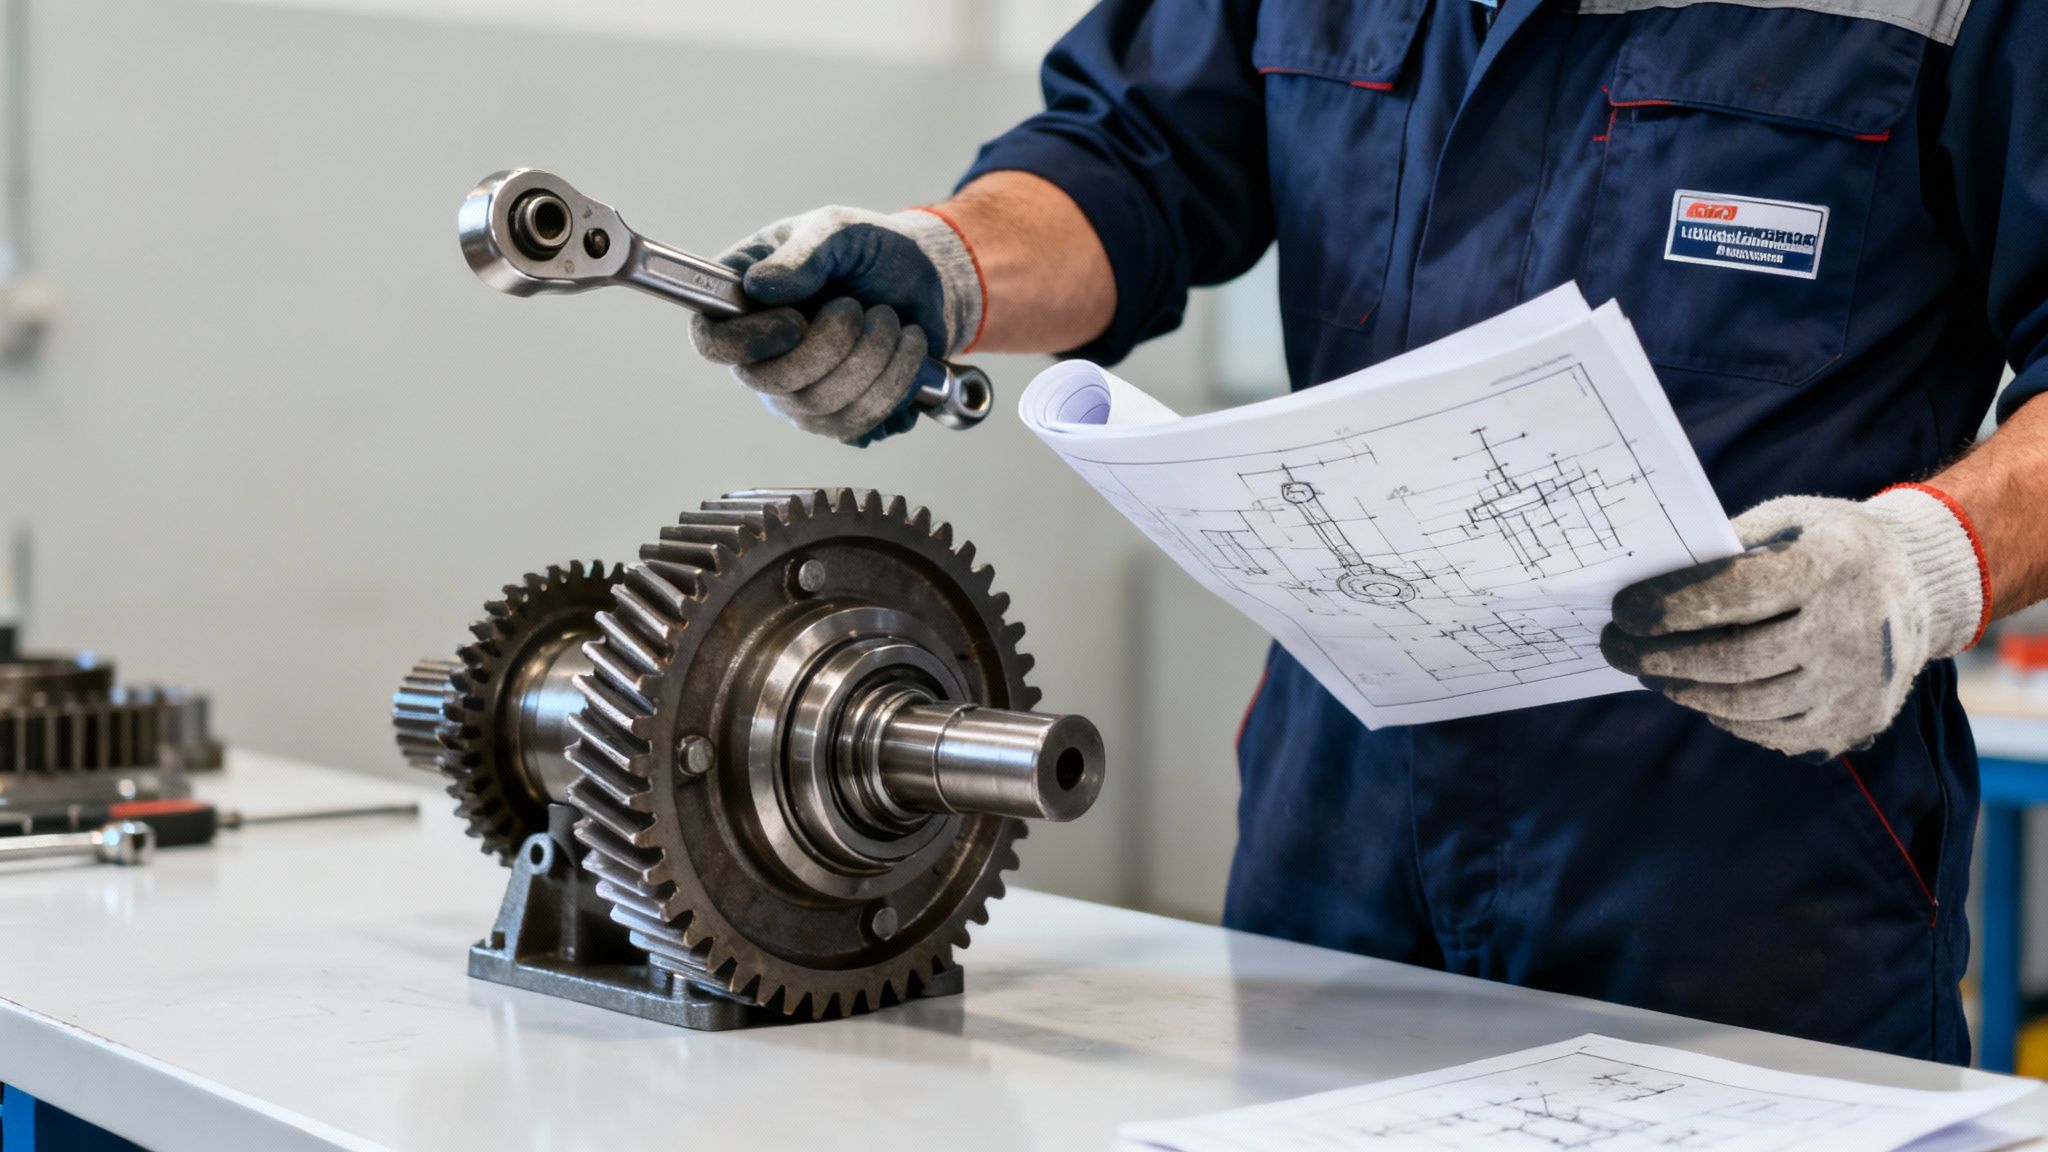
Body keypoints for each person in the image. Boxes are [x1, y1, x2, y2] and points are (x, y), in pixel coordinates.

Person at [690, 0, 2048, 1064]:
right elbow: (1133, 160)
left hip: (1749, 880)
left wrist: (1922, 563)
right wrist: (947, 263)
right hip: (1335, 844)